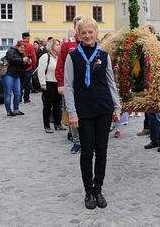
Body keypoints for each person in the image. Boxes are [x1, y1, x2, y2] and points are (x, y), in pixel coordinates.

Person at [64, 16, 121, 209]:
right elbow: (69, 86)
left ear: (96, 33)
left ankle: (99, 189)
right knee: (87, 152)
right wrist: (72, 112)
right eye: (84, 33)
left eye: (91, 32)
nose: (88, 35)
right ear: (78, 35)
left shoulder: (103, 56)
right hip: (84, 111)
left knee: (102, 151)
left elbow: (111, 83)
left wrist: (117, 107)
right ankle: (88, 191)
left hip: (103, 109)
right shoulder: (73, 57)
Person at [55, 15, 84, 153]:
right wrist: (61, 83)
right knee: (72, 114)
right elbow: (60, 65)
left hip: (86, 87)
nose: (80, 29)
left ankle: (88, 140)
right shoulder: (67, 44)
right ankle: (77, 141)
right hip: (71, 87)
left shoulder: (90, 42)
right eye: (78, 26)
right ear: (74, 28)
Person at [38, 39, 66, 133]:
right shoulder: (45, 57)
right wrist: (43, 83)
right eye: (57, 44)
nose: (59, 46)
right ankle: (47, 125)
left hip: (58, 83)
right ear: (51, 46)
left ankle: (57, 123)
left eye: (59, 44)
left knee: (58, 105)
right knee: (48, 105)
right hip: (48, 83)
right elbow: (41, 71)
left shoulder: (58, 57)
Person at [1, 40, 31, 116]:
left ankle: (16, 109)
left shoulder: (21, 55)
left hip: (16, 76)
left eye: (24, 48)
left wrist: (28, 64)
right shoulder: (11, 51)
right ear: (17, 47)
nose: (23, 49)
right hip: (8, 75)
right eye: (21, 48)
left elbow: (22, 67)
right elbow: (11, 59)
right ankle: (8, 111)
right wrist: (22, 59)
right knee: (8, 93)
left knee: (18, 93)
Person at [20, 32, 37, 103]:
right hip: (28, 68)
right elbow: (34, 58)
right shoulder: (30, 46)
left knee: (20, 83)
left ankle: (19, 98)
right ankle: (26, 99)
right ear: (28, 37)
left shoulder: (17, 45)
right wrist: (33, 67)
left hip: (19, 68)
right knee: (27, 83)